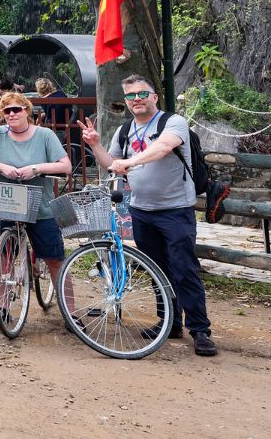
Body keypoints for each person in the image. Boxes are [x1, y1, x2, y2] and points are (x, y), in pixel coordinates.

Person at [76, 75, 217, 356]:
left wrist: (131, 161)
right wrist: (95, 144)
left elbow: (162, 148)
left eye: (142, 94)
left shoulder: (173, 123)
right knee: (158, 271)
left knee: (184, 268)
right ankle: (169, 322)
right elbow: (111, 165)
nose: (136, 99)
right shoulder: (125, 130)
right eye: (130, 96)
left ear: (154, 96)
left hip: (175, 210)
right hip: (142, 211)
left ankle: (200, 329)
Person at [0, 92, 70, 326]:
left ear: (27, 110)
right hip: (8, 203)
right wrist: (2, 167)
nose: (11, 114)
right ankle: (2, 305)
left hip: (40, 206)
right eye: (7, 111)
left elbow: (65, 166)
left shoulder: (45, 135)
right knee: (4, 257)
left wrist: (36, 169)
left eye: (16, 109)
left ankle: (70, 311)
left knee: (54, 259)